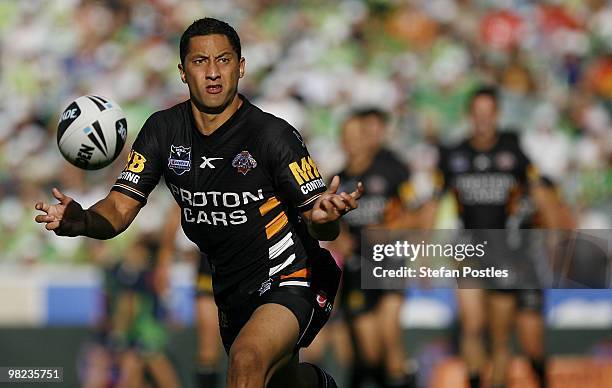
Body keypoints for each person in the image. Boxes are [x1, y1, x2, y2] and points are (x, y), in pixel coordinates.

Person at [35, 17, 363, 388]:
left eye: (223, 61)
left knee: (246, 361)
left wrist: (325, 217)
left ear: (241, 67)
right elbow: (119, 209)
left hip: (292, 276)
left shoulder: (272, 135)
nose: (213, 73)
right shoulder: (162, 131)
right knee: (278, 380)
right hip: (230, 287)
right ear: (182, 71)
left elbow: (320, 219)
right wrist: (81, 221)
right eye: (200, 62)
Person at [427, 86, 573, 388]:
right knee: (471, 325)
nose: (482, 120)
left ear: (497, 115)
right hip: (469, 249)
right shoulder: (453, 154)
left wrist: (557, 240)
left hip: (508, 252)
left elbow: (542, 195)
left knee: (501, 335)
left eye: (488, 113)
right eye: (477, 113)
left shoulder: (514, 151)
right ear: (469, 115)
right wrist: (423, 251)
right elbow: (433, 204)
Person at [335, 109, 420, 388]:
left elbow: (417, 214)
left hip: (389, 261)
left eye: (358, 136)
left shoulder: (391, 172)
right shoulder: (336, 181)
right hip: (357, 269)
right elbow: (327, 228)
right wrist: (337, 239)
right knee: (370, 353)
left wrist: (390, 231)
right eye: (347, 137)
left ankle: (401, 374)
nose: (353, 143)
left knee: (389, 332)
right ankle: (400, 375)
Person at [157, 203, 223, 387]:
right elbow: (177, 208)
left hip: (247, 267)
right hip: (208, 272)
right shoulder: (191, 186)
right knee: (208, 347)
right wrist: (164, 266)